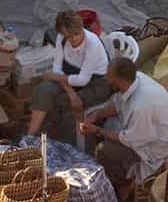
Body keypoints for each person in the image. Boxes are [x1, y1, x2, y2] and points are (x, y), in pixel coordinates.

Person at [79, 57, 168, 202]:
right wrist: (97, 115)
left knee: (104, 151)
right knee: (101, 119)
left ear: (119, 81)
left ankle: (125, 184)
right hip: (142, 131)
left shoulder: (140, 106)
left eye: (109, 77)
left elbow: (129, 140)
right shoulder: (136, 78)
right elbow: (118, 104)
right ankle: (113, 172)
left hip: (154, 146)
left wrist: (97, 131)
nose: (107, 80)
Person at [28, 11, 112, 143]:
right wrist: (70, 91)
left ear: (81, 29)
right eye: (69, 36)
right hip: (71, 77)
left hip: (96, 83)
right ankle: (30, 136)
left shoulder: (92, 44)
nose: (73, 39)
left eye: (77, 34)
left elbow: (83, 79)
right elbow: (57, 68)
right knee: (43, 90)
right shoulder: (61, 38)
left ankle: (65, 143)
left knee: (64, 103)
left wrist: (55, 77)